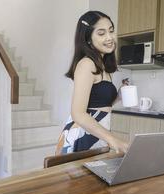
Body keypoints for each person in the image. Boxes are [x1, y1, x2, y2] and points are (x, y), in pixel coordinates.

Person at [55, 11, 129, 155]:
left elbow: (98, 105)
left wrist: (118, 97)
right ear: (88, 39)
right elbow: (78, 113)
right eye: (101, 33)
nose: (109, 37)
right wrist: (114, 139)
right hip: (83, 135)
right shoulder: (86, 64)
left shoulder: (103, 67)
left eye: (111, 31)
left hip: (97, 132)